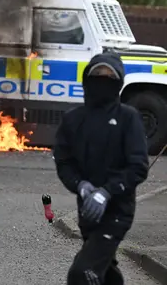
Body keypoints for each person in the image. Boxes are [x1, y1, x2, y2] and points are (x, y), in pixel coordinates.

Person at [54, 52, 149, 285]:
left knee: (82, 273)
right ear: (86, 79)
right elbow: (64, 162)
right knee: (104, 270)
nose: (102, 81)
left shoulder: (129, 118)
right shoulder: (73, 119)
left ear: (118, 83)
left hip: (118, 212)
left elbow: (138, 166)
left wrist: (106, 192)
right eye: (97, 75)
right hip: (87, 213)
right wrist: (81, 186)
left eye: (109, 77)